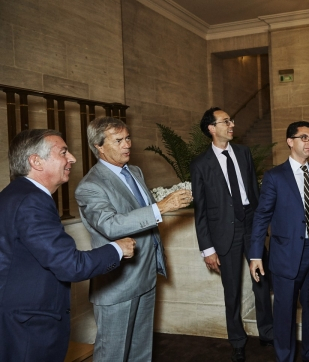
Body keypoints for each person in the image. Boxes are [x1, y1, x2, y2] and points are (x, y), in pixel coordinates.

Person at [0, 129, 135, 361]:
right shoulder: (32, 201)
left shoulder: (17, 194)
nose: (72, 158)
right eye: (63, 152)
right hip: (30, 324)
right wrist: (117, 249)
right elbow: (70, 265)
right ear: (36, 161)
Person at [75, 117, 192, 362]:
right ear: (99, 146)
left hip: (145, 276)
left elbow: (143, 219)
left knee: (141, 352)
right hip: (118, 283)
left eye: (128, 138)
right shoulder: (90, 186)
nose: (127, 144)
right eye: (118, 140)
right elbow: (110, 225)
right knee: (112, 355)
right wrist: (161, 207)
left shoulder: (135, 171)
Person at [191, 107, 273, 362]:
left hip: (251, 225)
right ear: (212, 129)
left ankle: (267, 331)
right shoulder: (200, 164)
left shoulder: (244, 153)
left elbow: (254, 193)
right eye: (226, 121)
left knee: (261, 280)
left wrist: (263, 225)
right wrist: (207, 249)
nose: (232, 124)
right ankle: (237, 340)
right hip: (224, 233)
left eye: (231, 120)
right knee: (232, 290)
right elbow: (200, 210)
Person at [249, 121, 309, 362]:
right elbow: (261, 216)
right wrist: (255, 254)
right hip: (287, 255)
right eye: (304, 137)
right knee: (285, 313)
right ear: (290, 141)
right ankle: (285, 357)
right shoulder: (275, 176)